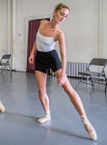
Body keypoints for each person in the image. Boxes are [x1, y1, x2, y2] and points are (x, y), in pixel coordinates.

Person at [28, 3, 97, 140]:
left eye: (66, 16)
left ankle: (85, 121)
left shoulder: (59, 34)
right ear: (54, 12)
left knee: (68, 88)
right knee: (41, 90)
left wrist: (63, 75)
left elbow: (64, 57)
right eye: (61, 14)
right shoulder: (42, 23)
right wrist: (32, 53)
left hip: (52, 58)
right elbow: (37, 38)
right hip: (40, 58)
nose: (63, 17)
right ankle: (47, 114)